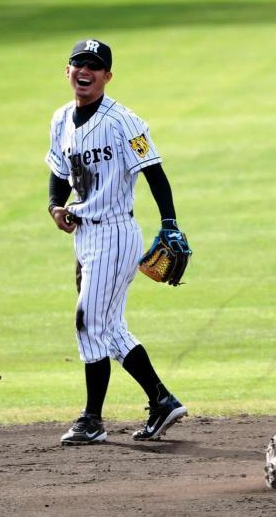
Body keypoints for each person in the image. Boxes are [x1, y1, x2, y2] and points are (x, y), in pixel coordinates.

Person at [45, 38, 188, 444]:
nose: (84, 71)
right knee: (110, 328)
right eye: (78, 64)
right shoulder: (59, 120)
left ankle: (92, 419)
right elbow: (58, 170)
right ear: (68, 71)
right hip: (85, 235)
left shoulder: (123, 121)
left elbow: (154, 170)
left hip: (115, 234)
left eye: (94, 65)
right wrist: (55, 206)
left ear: (107, 75)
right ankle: (162, 401)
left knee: (88, 322)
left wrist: (170, 222)